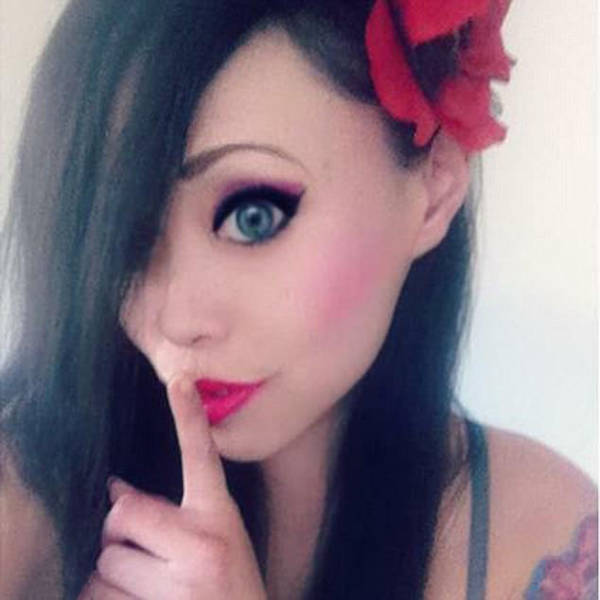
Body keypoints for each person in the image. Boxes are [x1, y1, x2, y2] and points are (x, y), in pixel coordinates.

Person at [0, 1, 596, 598]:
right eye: (123, 238)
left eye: (253, 217)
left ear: (435, 184)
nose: (177, 319)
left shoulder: (541, 534)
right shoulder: (24, 499)